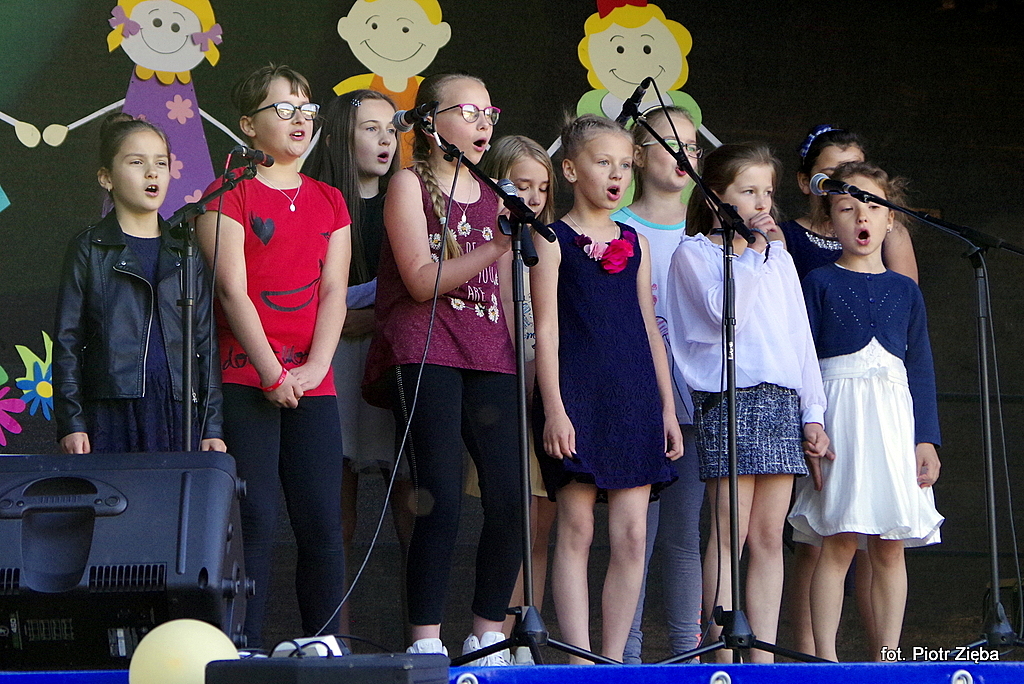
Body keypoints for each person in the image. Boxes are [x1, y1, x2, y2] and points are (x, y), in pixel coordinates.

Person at [361, 73, 522, 663]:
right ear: (431, 123)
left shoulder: (496, 195)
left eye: (488, 112)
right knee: (442, 496)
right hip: (425, 349)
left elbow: (503, 293)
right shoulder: (408, 184)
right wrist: (494, 246)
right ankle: (426, 639)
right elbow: (420, 280)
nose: (483, 123)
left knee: (510, 497)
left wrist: (522, 363)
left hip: (489, 351)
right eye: (468, 111)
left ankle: (488, 634)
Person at [196, 64, 352, 647]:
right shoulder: (225, 193)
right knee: (254, 518)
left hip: (313, 378)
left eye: (306, 108)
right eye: (284, 108)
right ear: (248, 124)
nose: (299, 119)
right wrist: (272, 372)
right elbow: (231, 291)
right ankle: (246, 647)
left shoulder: (330, 200)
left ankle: (325, 642)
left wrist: (314, 368)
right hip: (247, 376)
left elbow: (334, 291)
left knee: (322, 521)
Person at [664, 142, 829, 663]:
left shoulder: (777, 259)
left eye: (768, 192)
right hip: (729, 397)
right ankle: (721, 652)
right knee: (728, 532)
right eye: (748, 191)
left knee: (768, 537)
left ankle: (763, 658)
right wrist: (753, 253)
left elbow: (800, 339)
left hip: (780, 401)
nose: (762, 202)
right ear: (716, 196)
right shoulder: (695, 254)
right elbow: (723, 314)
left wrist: (813, 412)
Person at [532, 114, 682, 664]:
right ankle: (579, 660)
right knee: (576, 529)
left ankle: (614, 661)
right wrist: (554, 409)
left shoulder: (635, 242)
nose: (617, 175)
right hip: (577, 394)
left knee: (633, 535)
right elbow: (546, 331)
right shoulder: (551, 239)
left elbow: (649, 328)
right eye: (604, 163)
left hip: (634, 396)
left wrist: (667, 409)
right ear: (571, 169)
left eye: (625, 165)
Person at [788, 161, 943, 662]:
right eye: (846, 207)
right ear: (829, 221)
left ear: (890, 219)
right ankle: (827, 659)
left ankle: (889, 658)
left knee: (889, 544)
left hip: (894, 422)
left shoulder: (906, 291)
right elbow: (803, 360)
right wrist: (810, 422)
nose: (861, 216)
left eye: (874, 206)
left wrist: (926, 439)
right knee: (838, 539)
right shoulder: (818, 281)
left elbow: (920, 367)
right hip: (842, 419)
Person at [303, 89, 414, 637]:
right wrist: (340, 319)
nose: (386, 139)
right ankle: (335, 638)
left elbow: (420, 288)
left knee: (412, 505)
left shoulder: (408, 200)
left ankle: (421, 636)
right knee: (336, 514)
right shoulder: (316, 202)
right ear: (341, 136)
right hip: (329, 366)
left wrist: (368, 316)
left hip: (392, 360)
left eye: (392, 129)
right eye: (371, 128)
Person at [54, 112, 224, 455]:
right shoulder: (90, 247)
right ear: (106, 178)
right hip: (111, 409)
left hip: (177, 409)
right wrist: (72, 422)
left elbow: (205, 343)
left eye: (161, 163)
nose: (152, 173)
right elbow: (67, 341)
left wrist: (212, 426)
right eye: (136, 162)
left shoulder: (185, 249)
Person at [611, 106, 704, 661]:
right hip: (638, 397)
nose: (682, 156)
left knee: (685, 536)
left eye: (691, 146)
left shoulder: (709, 227)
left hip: (698, 398)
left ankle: (687, 654)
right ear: (639, 157)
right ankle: (627, 656)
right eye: (669, 144)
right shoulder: (619, 226)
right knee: (634, 536)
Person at [477, 134, 556, 664]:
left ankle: (529, 633)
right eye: (521, 185)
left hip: (544, 394)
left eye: (542, 188)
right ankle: (496, 634)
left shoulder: (546, 243)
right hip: (505, 392)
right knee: (511, 517)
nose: (532, 197)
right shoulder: (491, 242)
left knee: (541, 525)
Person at [778, 125, 917, 281]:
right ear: (805, 181)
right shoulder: (783, 235)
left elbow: (905, 292)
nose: (843, 186)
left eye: (856, 172)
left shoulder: (891, 231)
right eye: (830, 178)